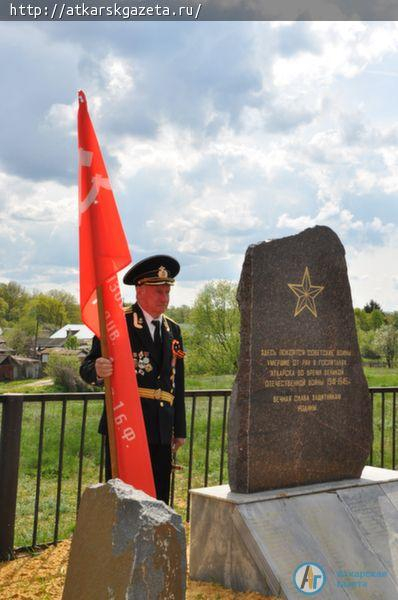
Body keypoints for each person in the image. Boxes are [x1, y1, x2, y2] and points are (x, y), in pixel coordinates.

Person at [80, 255, 186, 504]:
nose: (165, 298)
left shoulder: (174, 330)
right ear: (140, 290)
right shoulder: (118, 323)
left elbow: (177, 383)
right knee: (125, 498)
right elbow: (86, 366)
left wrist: (179, 429)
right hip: (126, 424)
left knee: (159, 496)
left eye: (167, 291)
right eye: (158, 291)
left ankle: (156, 542)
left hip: (161, 428)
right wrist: (97, 368)